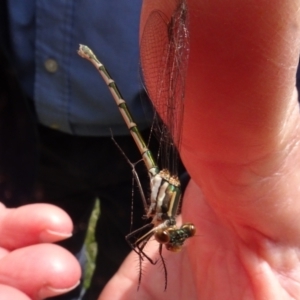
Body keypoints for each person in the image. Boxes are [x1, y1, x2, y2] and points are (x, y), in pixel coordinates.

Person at [1, 0, 300, 299]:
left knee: (121, 245)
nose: (164, 237)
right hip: (32, 131)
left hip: (136, 133)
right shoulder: (163, 216)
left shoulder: (163, 220)